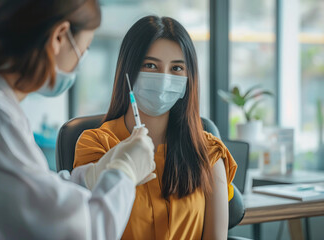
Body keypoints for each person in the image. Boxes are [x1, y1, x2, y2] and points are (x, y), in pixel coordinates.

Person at [0, 1, 156, 239]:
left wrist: (90, 177)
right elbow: (80, 232)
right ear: (59, 37)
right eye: (83, 49)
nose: (80, 61)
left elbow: (37, 194)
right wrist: (123, 173)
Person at [74, 16, 238, 240]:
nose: (164, 78)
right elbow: (90, 227)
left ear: (189, 78)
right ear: (128, 71)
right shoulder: (97, 144)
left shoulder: (208, 150)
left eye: (177, 68)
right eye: (150, 65)